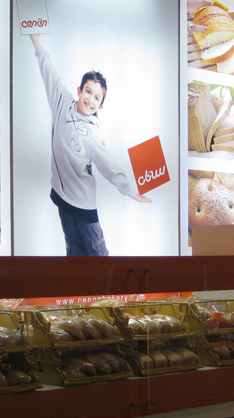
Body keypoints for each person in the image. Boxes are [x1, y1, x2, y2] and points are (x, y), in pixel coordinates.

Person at [29, 34, 150, 256]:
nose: (90, 100)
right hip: (62, 198)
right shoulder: (62, 102)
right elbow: (50, 75)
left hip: (83, 204)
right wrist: (36, 43)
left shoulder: (93, 135)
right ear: (79, 90)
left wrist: (129, 190)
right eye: (88, 92)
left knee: (97, 250)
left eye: (97, 98)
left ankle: (106, 280)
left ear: (100, 107)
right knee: (73, 246)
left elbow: (108, 165)